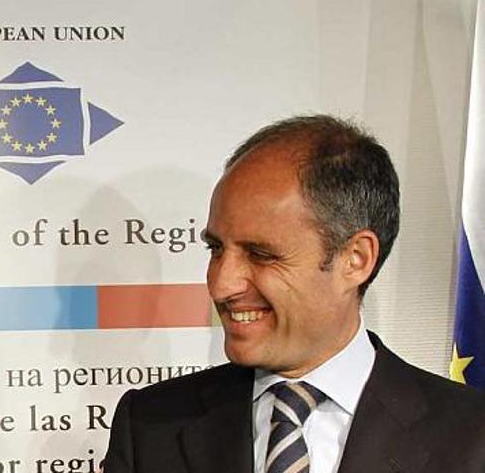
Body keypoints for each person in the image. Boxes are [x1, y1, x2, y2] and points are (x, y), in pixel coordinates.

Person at [103, 115, 485, 472]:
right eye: (216, 249)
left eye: (261, 254)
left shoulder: (472, 437)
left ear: (355, 259)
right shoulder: (150, 426)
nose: (222, 284)